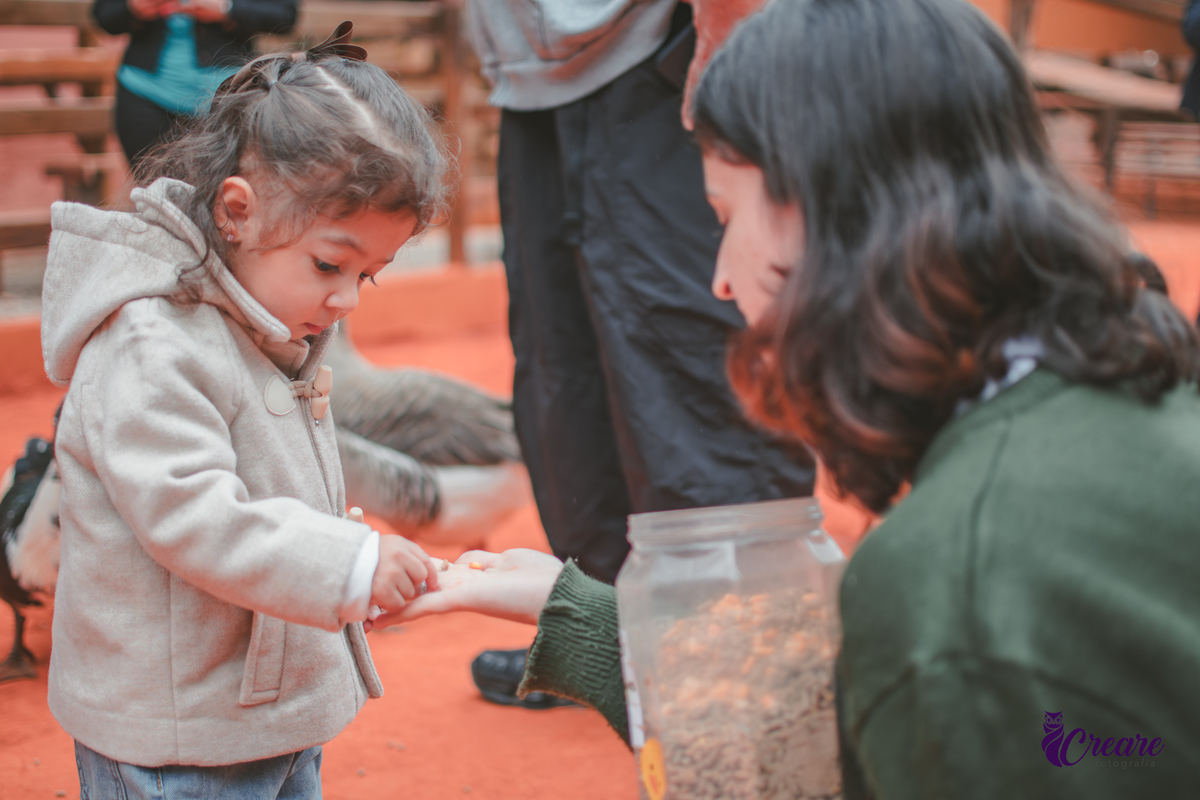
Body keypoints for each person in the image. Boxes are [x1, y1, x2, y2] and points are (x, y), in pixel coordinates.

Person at [379, 0, 1200, 795]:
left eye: (723, 214)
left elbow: (817, 769)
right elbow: (844, 740)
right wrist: (588, 620)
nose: (722, 277)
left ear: (840, 216)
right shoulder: (1123, 409)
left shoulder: (950, 587)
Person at [41, 30, 447, 797]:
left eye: (371, 274)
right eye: (331, 264)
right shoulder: (153, 341)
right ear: (237, 211)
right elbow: (194, 514)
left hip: (259, 710)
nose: (347, 300)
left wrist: (344, 571)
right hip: (178, 739)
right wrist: (345, 565)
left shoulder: (262, 316)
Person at [461, 0, 815, 708]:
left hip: (660, 48)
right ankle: (604, 634)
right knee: (562, 362)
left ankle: (749, 650)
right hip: (536, 74)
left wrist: (729, 28)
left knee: (686, 352)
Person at [92, 0, 297, 171]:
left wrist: (227, 9)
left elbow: (286, 15)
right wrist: (134, 7)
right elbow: (104, 15)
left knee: (217, 201)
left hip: (227, 97)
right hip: (143, 92)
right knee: (154, 196)